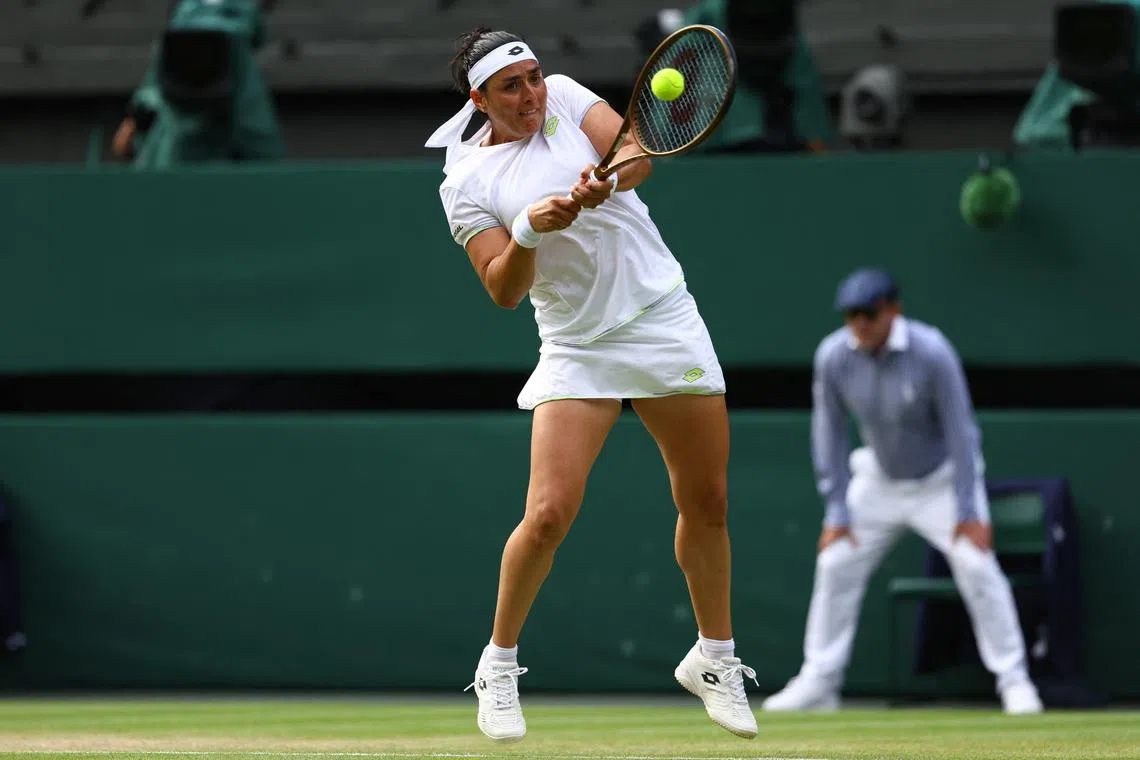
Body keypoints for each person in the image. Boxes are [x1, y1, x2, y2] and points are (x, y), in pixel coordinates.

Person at [426, 26, 758, 744]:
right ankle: (498, 664)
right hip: (577, 346)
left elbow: (637, 149)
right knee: (547, 514)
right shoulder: (465, 184)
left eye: (535, 76)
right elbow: (502, 291)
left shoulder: (568, 102)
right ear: (480, 99)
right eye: (511, 86)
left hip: (661, 317)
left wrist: (610, 177)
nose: (531, 92)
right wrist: (529, 233)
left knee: (707, 499)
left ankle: (715, 658)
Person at [761, 269, 1044, 715]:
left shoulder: (932, 351)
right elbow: (829, 435)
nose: (860, 323)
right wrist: (836, 510)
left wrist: (970, 509)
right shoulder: (834, 356)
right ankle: (820, 680)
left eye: (869, 313)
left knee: (976, 566)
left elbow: (962, 433)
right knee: (835, 563)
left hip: (941, 484)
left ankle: (1015, 682)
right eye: (851, 315)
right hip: (877, 483)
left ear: (894, 309)